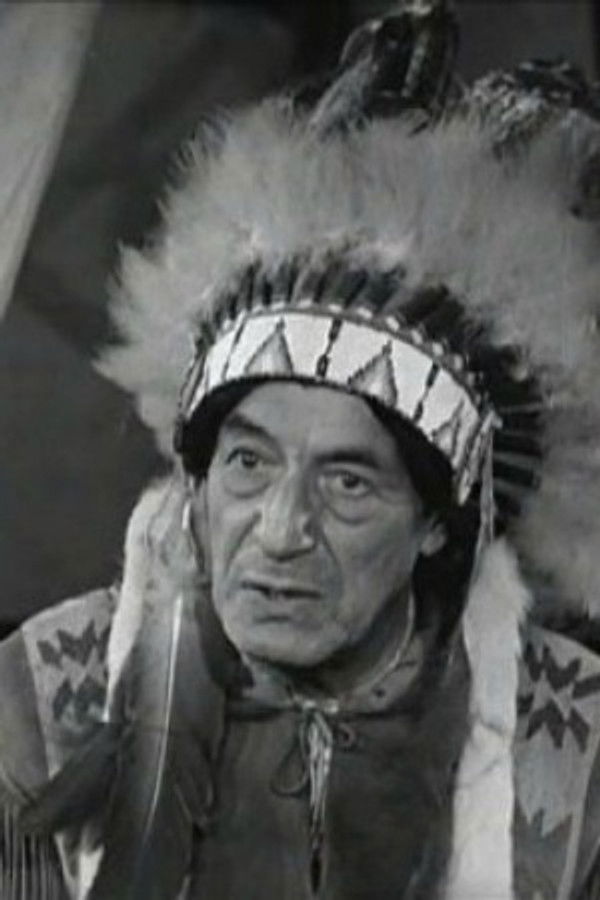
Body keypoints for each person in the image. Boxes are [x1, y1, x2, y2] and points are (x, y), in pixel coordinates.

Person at [1, 3, 600, 898]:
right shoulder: (40, 695)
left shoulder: (574, 741)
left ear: (439, 524)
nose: (282, 531)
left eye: (349, 483)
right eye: (248, 465)